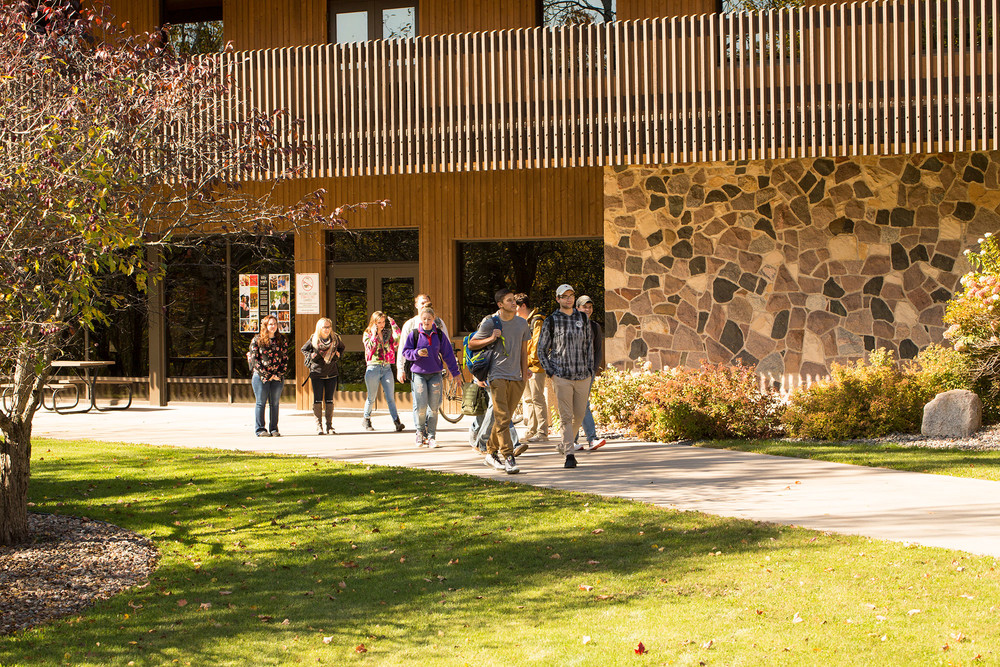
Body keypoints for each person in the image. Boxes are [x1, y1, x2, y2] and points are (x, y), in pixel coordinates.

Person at [469, 288, 530, 474]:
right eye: (510, 300)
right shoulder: (490, 323)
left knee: (504, 418)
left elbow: (523, 351)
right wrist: (491, 337)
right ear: (500, 304)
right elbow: (472, 344)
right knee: (503, 417)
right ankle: (509, 456)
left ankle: (490, 451)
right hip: (497, 375)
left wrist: (524, 373)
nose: (514, 303)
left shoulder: (522, 324)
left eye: (515, 300)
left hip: (517, 377)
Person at [537, 284, 594, 468]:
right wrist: (551, 372)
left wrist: (591, 370)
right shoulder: (551, 321)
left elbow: (589, 346)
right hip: (561, 374)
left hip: (583, 375)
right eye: (564, 296)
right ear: (558, 299)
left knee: (578, 415)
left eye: (571, 295)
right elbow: (541, 349)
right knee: (566, 416)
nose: (568, 299)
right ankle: (570, 454)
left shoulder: (583, 319)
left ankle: (564, 443)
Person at [400, 306, 461, 448]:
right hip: (419, 374)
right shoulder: (414, 334)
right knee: (421, 406)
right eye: (424, 319)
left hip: (435, 374)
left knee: (434, 407)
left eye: (429, 319)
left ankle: (432, 436)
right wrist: (416, 353)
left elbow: (448, 355)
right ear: (420, 320)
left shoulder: (439, 335)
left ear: (434, 319)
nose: (426, 321)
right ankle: (420, 432)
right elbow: (406, 352)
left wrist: (455, 373)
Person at [300, 317, 345, 435]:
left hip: (331, 372)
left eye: (328, 327)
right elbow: (304, 349)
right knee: (318, 399)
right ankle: (318, 426)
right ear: (319, 328)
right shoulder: (314, 339)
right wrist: (311, 356)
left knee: (329, 399)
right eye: (324, 327)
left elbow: (342, 348)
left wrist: (338, 355)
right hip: (317, 373)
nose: (327, 329)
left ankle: (329, 426)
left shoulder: (335, 338)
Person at [362, 311, 405, 432]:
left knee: (390, 396)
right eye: (379, 322)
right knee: (372, 396)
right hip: (373, 367)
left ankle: (397, 422)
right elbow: (369, 349)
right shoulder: (367, 334)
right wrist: (374, 335)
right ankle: (366, 419)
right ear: (374, 323)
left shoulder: (387, 333)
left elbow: (398, 340)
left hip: (386, 367)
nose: (382, 325)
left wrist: (394, 325)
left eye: (383, 322)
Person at [574, 294, 606, 451]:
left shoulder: (595, 327)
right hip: (571, 371)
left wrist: (594, 370)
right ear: (577, 308)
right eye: (584, 306)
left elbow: (598, 350)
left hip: (588, 371)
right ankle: (577, 440)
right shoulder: (571, 324)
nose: (587, 309)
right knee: (576, 404)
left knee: (582, 403)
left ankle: (591, 439)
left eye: (590, 307)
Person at [248, 314, 288, 437]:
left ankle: (274, 429)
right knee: (261, 402)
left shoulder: (282, 340)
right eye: (270, 324)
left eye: (275, 324)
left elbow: (285, 358)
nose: (273, 326)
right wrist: (267, 375)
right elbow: (255, 360)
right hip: (261, 377)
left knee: (274, 403)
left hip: (277, 377)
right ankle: (260, 429)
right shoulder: (257, 340)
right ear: (265, 326)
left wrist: (279, 374)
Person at [515, 292, 548, 443]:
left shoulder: (537, 320)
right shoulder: (522, 322)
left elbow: (536, 345)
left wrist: (528, 363)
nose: (514, 311)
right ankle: (531, 430)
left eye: (516, 308)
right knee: (528, 399)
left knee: (537, 398)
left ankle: (542, 432)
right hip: (525, 366)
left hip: (535, 366)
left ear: (523, 306)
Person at [397, 294, 450, 384]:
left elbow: (447, 346)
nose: (424, 305)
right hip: (416, 370)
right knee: (420, 398)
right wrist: (400, 369)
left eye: (427, 303)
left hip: (435, 370)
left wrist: (449, 366)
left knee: (435, 398)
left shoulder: (438, 323)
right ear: (416, 305)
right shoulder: (410, 324)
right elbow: (403, 348)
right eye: (422, 303)